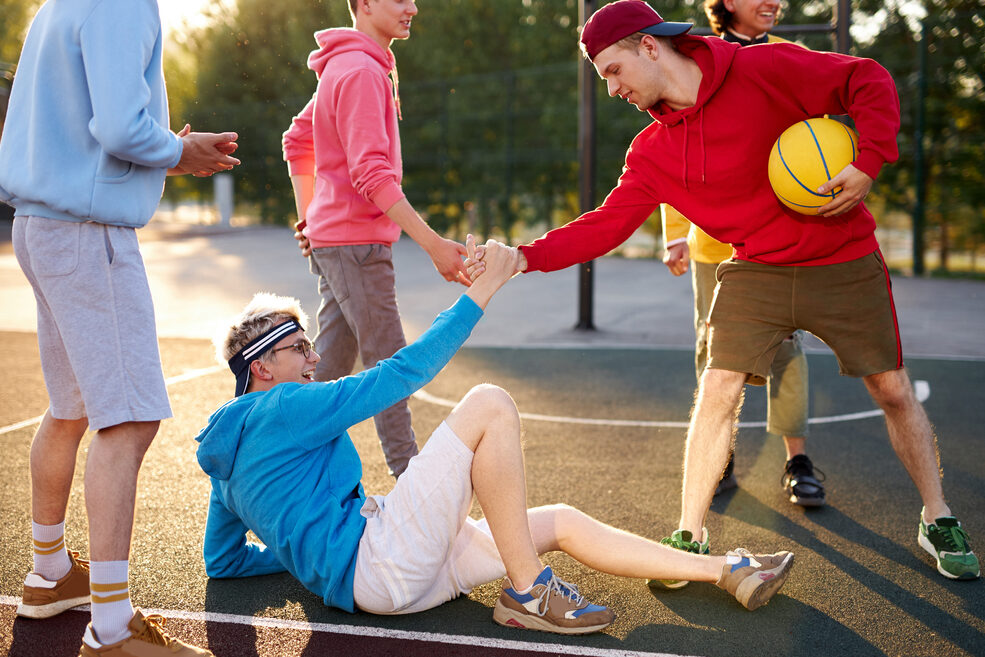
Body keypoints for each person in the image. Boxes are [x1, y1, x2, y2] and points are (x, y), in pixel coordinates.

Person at [468, 0, 979, 583]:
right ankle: (689, 534)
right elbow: (604, 224)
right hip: (755, 266)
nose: (611, 89)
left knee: (891, 388)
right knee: (717, 388)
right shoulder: (653, 151)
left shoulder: (762, 68)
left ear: (650, 46)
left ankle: (937, 515)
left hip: (842, 254)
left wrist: (871, 160)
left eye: (613, 70)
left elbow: (868, 78)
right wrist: (523, 257)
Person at [194, 238, 795, 636]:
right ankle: (532, 591)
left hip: (389, 579)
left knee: (556, 521)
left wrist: (301, 556)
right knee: (488, 404)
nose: (313, 354)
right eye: (298, 347)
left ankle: (725, 571)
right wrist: (483, 289)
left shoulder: (225, 466)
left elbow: (223, 563)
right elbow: (403, 372)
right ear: (260, 370)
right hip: (382, 560)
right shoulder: (283, 405)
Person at [0, 0, 241, 655]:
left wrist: (163, 145)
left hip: (44, 225)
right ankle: (110, 627)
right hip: (88, 232)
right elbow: (120, 130)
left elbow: (90, 125)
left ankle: (49, 571)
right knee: (127, 417)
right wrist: (177, 148)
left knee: (71, 405)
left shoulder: (57, 5)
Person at [282, 0, 469, 479]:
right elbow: (370, 172)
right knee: (392, 371)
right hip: (355, 247)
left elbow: (296, 140)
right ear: (364, 4)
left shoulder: (347, 66)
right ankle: (414, 488)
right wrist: (433, 244)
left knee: (327, 370)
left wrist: (310, 216)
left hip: (340, 242)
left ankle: (277, 461)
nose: (413, 7)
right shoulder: (361, 71)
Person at [660, 0, 824, 512]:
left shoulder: (791, 58)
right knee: (714, 352)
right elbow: (676, 145)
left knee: (788, 348)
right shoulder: (699, 62)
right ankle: (719, 452)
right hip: (714, 241)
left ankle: (798, 462)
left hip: (781, 236)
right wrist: (675, 231)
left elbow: (815, 144)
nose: (774, 2)